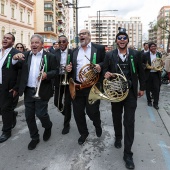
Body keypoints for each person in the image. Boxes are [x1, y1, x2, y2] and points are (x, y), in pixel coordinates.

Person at [103, 27, 145, 169]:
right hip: (116, 92)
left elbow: (141, 71)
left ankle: (128, 154)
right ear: (116, 41)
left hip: (131, 93)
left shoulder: (135, 54)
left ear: (127, 40)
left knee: (129, 122)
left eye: (124, 38)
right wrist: (106, 73)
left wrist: (142, 88)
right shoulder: (110, 55)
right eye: (119, 38)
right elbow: (104, 69)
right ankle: (118, 136)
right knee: (116, 117)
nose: (122, 40)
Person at [12, 34, 58, 150]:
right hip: (28, 90)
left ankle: (48, 126)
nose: (34, 45)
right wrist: (14, 59)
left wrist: (47, 74)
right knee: (29, 116)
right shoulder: (25, 55)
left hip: (42, 90)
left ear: (42, 44)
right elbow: (16, 68)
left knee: (41, 114)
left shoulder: (50, 56)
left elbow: (56, 71)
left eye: (37, 42)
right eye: (32, 42)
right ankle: (34, 137)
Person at [69, 29, 105, 145]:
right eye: (80, 34)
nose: (81, 36)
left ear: (89, 36)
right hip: (78, 86)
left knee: (92, 112)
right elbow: (71, 67)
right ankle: (83, 133)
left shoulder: (98, 48)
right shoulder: (74, 51)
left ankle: (97, 124)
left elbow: (106, 62)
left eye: (84, 34)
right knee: (78, 113)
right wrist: (68, 69)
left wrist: (100, 65)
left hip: (92, 86)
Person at [0, 33, 20, 143]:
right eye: (4, 38)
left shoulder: (16, 53)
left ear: (12, 42)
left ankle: (6, 131)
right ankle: (12, 114)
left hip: (8, 87)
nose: (5, 39)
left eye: (8, 38)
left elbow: (21, 72)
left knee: (5, 108)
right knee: (2, 109)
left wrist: (16, 88)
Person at [53, 35, 72, 134]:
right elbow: (52, 66)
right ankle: (66, 113)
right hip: (59, 78)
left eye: (63, 41)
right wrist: (61, 68)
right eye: (59, 42)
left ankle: (66, 124)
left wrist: (70, 68)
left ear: (67, 43)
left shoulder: (72, 52)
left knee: (67, 103)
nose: (61, 44)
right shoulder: (54, 52)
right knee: (56, 102)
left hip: (69, 80)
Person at [142, 42, 162, 110]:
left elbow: (160, 62)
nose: (153, 48)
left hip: (156, 74)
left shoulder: (159, 54)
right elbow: (141, 64)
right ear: (149, 48)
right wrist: (147, 67)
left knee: (157, 89)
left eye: (154, 46)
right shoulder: (145, 55)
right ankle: (149, 101)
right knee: (148, 88)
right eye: (152, 47)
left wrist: (162, 64)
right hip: (148, 74)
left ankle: (155, 103)